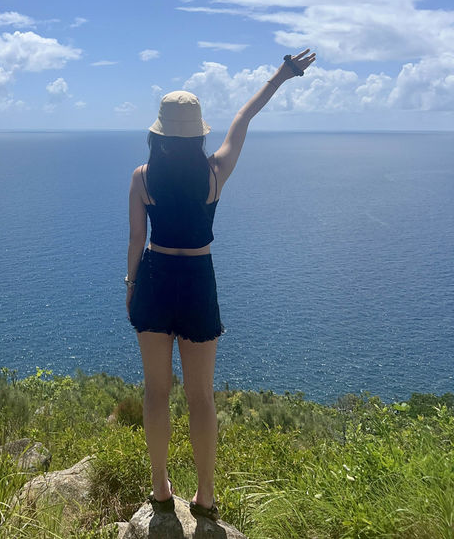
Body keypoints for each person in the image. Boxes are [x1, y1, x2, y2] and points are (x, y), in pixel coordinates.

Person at [125, 49, 316, 521]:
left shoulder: (142, 177)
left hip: (154, 276)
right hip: (197, 280)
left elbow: (136, 238)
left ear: (159, 133)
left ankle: (160, 488)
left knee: (154, 391)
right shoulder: (216, 171)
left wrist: (131, 287)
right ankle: (206, 496)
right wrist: (284, 73)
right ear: (197, 134)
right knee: (201, 396)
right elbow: (244, 115)